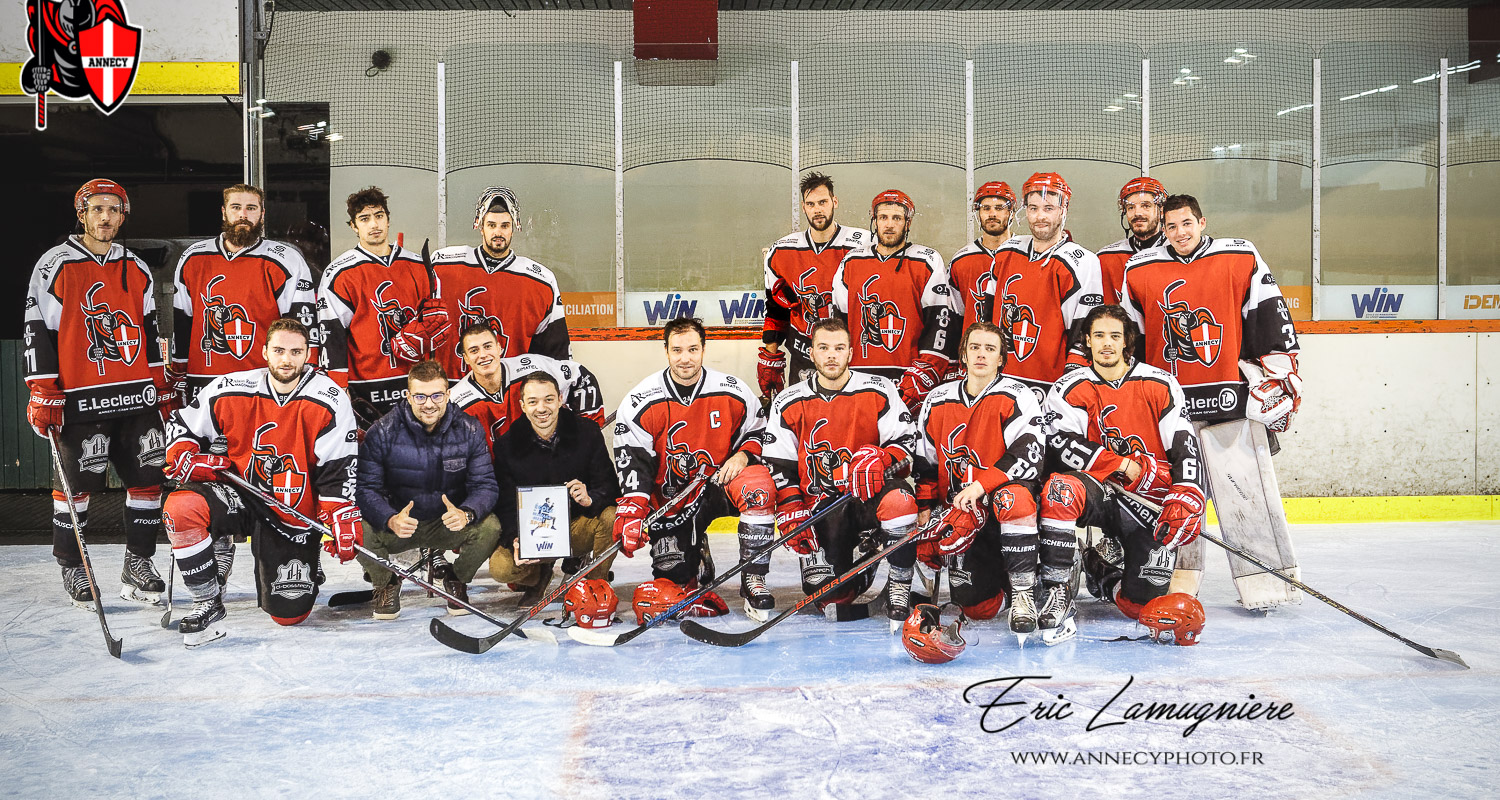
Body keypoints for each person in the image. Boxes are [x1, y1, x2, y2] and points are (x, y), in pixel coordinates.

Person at [1121, 194, 1303, 610]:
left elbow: (1270, 314)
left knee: (1246, 495)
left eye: (1187, 223)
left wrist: (1280, 373)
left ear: (1202, 222)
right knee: (1178, 498)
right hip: (1170, 410)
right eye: (1171, 226)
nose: (1180, 233)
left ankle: (1267, 585)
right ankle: (1178, 584)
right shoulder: (1139, 268)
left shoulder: (1240, 256)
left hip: (1230, 401)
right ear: (1163, 228)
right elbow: (1132, 340)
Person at [161, 319, 360, 646]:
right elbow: (181, 425)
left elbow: (339, 466)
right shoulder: (231, 387)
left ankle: (307, 556)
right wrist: (185, 455)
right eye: (279, 350)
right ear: (265, 351)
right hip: (241, 494)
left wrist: (339, 513)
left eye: (295, 352)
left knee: (289, 615)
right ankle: (207, 599)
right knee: (181, 508)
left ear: (308, 354)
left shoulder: (329, 398)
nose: (287, 359)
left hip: (293, 509)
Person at [25, 178, 170, 609]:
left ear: (123, 216)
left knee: (147, 482)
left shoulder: (137, 267)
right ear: (82, 214)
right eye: (97, 209)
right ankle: (73, 565)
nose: (105, 217)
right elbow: (37, 328)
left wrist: (161, 385)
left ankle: (138, 563)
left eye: (114, 209)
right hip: (80, 398)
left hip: (136, 396)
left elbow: (149, 330)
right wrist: (43, 388)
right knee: (76, 488)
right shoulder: (55, 264)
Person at [1041, 305, 1205, 641]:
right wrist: (1121, 465)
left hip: (1146, 499)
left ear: (1126, 341)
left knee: (1141, 605)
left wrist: (1186, 492)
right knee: (1060, 490)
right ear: (1087, 340)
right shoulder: (1069, 386)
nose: (1107, 343)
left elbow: (1184, 444)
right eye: (1099, 335)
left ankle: (1102, 573)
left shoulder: (1160, 382)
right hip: (1098, 491)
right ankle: (1057, 590)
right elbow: (1060, 442)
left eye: (1115, 336)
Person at [612, 317, 776, 619]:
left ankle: (753, 577)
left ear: (703, 349)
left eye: (692, 349)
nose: (685, 358)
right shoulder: (641, 400)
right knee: (673, 584)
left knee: (758, 486)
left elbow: (761, 432)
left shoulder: (731, 390)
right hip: (672, 500)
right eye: (677, 350)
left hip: (720, 485)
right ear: (666, 351)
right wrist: (634, 509)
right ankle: (695, 550)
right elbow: (633, 460)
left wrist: (743, 455)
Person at [761, 318, 921, 622]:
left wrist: (882, 458)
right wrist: (792, 505)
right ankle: (869, 559)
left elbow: (906, 444)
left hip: (869, 496)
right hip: (821, 505)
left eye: (839, 348)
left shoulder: (878, 389)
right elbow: (778, 464)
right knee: (827, 595)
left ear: (851, 352)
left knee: (900, 501)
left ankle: (899, 585)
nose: (831, 355)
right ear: (811, 353)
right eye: (823, 348)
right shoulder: (789, 400)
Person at [913, 322, 1045, 638]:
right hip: (963, 519)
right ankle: (1010, 587)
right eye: (975, 347)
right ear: (963, 354)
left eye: (990, 349)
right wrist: (925, 510)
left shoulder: (1018, 395)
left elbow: (1029, 453)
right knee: (978, 607)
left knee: (1013, 497)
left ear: (1001, 358)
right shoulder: (938, 398)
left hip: (1003, 511)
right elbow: (925, 462)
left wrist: (981, 485)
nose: (981, 355)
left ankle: (1025, 590)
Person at [356, 359, 501, 620]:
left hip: (446, 524)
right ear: (408, 396)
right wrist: (389, 518)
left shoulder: (469, 429)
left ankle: (457, 579)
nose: (429, 404)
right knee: (354, 529)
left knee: (490, 527)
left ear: (448, 394)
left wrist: (466, 513)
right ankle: (386, 583)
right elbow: (366, 489)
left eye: (436, 395)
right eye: (420, 396)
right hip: (400, 525)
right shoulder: (382, 431)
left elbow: (486, 485)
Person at [169, 183, 318, 407]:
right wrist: (179, 367)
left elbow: (300, 325)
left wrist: (305, 371)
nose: (243, 215)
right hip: (205, 378)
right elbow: (183, 320)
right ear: (224, 212)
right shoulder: (193, 257)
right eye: (236, 207)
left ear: (262, 214)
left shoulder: (286, 259)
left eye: (251, 208)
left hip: (263, 379)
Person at [318, 187, 448, 423]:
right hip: (365, 389)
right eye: (364, 219)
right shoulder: (339, 274)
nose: (374, 224)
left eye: (379, 216)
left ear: (388, 219)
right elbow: (332, 337)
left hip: (418, 386)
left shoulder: (419, 266)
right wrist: (339, 388)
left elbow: (436, 326)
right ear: (353, 226)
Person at [491, 372, 620, 606]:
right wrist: (515, 538)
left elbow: (610, 486)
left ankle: (595, 585)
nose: (541, 408)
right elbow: (505, 505)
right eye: (533, 401)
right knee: (501, 568)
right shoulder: (506, 446)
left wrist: (590, 498)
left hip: (575, 527)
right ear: (522, 405)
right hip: (535, 534)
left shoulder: (587, 432)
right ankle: (538, 575)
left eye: (548, 399)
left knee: (612, 517)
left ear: (560, 399)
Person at [831, 189, 960, 412]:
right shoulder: (851, 262)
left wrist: (922, 376)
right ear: (875, 221)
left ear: (907, 223)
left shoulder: (927, 261)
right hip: (858, 380)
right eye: (883, 217)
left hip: (908, 381)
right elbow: (838, 326)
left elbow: (939, 326)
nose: (889, 224)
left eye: (897, 218)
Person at [982, 172, 1104, 396]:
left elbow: (1084, 335)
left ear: (1063, 210)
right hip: (1001, 382)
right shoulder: (1006, 252)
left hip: (1050, 387)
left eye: (1048, 208)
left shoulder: (1082, 262)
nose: (1040, 216)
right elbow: (988, 320)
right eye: (1033, 208)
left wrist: (1068, 391)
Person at [429, 187, 570, 379]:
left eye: (505, 225)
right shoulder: (443, 265)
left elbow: (555, 352)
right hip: (451, 389)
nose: (498, 232)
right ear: (480, 226)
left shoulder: (541, 281)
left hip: (510, 392)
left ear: (514, 227)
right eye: (491, 225)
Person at [758, 172, 870, 400]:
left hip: (852, 354)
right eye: (811, 204)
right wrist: (770, 355)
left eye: (822, 202)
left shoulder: (865, 245)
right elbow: (777, 309)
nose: (817, 209)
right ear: (803, 207)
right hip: (804, 355)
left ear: (834, 202)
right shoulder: (781, 252)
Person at [449, 323, 604, 449]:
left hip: (548, 460)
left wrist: (586, 436)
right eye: (474, 350)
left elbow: (580, 377)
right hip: (496, 473)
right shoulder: (455, 401)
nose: (483, 355)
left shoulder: (533, 367)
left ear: (499, 348)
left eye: (488, 346)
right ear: (466, 358)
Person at [947, 182, 1018, 336]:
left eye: (999, 208)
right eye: (986, 208)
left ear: (1011, 213)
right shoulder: (961, 261)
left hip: (1016, 346)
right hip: (975, 347)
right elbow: (953, 318)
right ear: (978, 213)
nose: (992, 214)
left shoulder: (1026, 256)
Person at [1096, 177, 1167, 305]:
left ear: (1161, 211)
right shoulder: (1105, 258)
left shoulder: (1177, 253)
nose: (1137, 213)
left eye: (1146, 206)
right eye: (1130, 207)